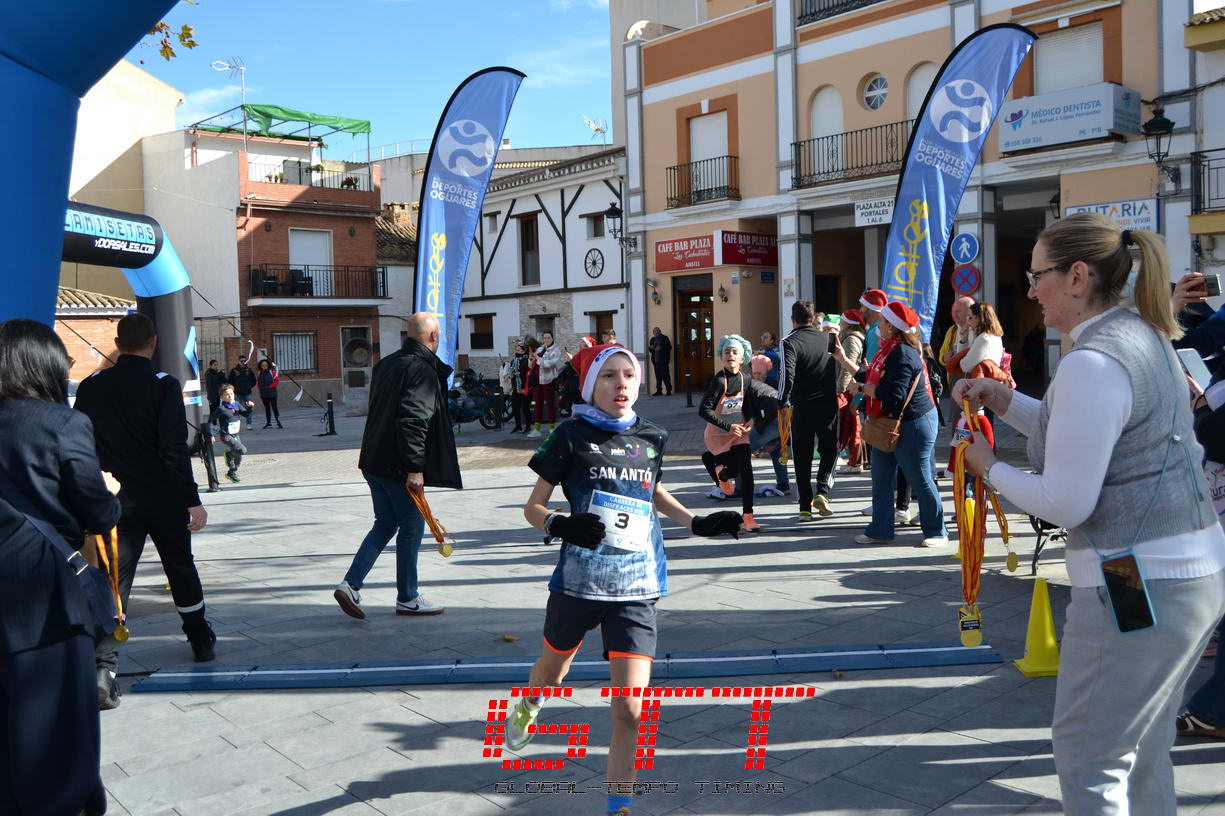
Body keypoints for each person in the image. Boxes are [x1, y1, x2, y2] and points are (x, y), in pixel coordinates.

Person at [955, 213, 1225, 814]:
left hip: (1134, 577)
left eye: (1037, 276)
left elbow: (1067, 501)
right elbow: (1091, 433)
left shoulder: (1093, 360)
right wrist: (1003, 399)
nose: (1029, 291)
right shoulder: (1139, 333)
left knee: (1089, 756)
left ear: (1077, 277)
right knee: (1141, 750)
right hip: (1179, 570)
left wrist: (988, 469)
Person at [511, 343, 742, 816]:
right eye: (609, 376)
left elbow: (651, 489)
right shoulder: (570, 435)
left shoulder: (651, 436)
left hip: (636, 587)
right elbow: (532, 506)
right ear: (591, 384)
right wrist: (560, 523)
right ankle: (531, 701)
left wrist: (696, 523)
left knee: (630, 710)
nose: (621, 385)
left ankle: (619, 806)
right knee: (552, 671)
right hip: (579, 584)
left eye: (628, 376)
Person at [0, 319, 119, 816]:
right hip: (46, 599)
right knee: (58, 725)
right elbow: (97, 513)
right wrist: (111, 492)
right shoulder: (63, 423)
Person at [72, 312, 214, 710]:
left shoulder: (91, 386)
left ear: (117, 343)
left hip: (113, 502)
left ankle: (105, 665)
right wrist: (191, 499)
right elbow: (173, 447)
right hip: (163, 499)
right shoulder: (163, 386)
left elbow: (81, 446)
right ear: (153, 342)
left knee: (114, 583)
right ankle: (200, 640)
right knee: (181, 569)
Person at [333, 312, 461, 619]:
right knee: (412, 526)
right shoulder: (422, 370)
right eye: (438, 333)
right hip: (396, 465)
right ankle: (408, 597)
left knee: (386, 523)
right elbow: (413, 419)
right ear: (432, 337)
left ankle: (350, 584)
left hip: (373, 459)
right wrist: (414, 467)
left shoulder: (387, 363)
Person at [833, 301, 947, 547]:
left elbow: (893, 394)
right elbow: (870, 374)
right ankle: (880, 530)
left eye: (882, 321)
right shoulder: (888, 349)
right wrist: (842, 359)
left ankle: (937, 531)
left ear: (892, 327)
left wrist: (862, 390)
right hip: (891, 423)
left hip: (914, 424)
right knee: (882, 477)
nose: (877, 325)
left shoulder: (903, 354)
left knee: (920, 478)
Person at [699, 334, 776, 532]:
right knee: (732, 471)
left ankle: (748, 516)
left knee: (746, 471)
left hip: (739, 432)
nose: (730, 355)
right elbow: (703, 410)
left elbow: (747, 403)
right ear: (721, 357)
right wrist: (727, 426)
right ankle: (716, 467)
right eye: (727, 352)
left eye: (735, 352)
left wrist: (751, 419)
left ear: (742, 359)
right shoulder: (718, 381)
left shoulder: (745, 379)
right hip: (718, 434)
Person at [781, 300, 841, 521]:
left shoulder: (789, 341)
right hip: (828, 404)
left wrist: (782, 401)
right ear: (813, 317)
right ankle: (823, 491)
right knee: (830, 449)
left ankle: (805, 506)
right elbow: (838, 367)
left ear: (793, 319)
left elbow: (786, 375)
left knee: (803, 456)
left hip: (803, 406)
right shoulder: (829, 338)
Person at [739, 354, 789, 497]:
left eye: (760, 373)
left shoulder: (747, 387)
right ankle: (783, 484)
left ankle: (739, 488)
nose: (757, 376)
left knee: (743, 449)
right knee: (776, 449)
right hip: (785, 419)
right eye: (755, 373)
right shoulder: (761, 386)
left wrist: (759, 432)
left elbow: (751, 415)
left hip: (776, 418)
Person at [836, 309, 866, 475]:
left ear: (848, 323)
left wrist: (839, 389)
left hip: (850, 390)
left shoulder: (851, 340)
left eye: (842, 320)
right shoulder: (848, 337)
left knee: (853, 427)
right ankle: (854, 461)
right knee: (850, 426)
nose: (840, 322)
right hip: (849, 388)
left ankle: (855, 462)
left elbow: (847, 368)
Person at [527, 330, 562, 439]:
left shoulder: (556, 351)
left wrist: (537, 358)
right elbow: (530, 365)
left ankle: (552, 428)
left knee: (550, 404)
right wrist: (531, 357)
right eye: (545, 338)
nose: (546, 340)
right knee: (538, 404)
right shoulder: (540, 349)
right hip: (538, 381)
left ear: (552, 339)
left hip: (549, 380)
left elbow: (549, 364)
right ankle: (537, 429)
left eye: (548, 338)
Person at [210, 384, 247, 484]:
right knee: (242, 450)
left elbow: (246, 414)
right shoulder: (221, 409)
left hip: (236, 435)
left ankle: (231, 473)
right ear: (222, 397)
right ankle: (229, 455)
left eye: (231, 393)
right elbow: (210, 420)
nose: (230, 396)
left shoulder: (237, 404)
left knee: (239, 456)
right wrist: (210, 434)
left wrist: (250, 407)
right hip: (226, 436)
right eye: (227, 395)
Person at [505, 342, 532, 433]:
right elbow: (511, 373)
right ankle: (518, 426)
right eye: (516, 350)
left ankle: (528, 426)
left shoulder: (526, 360)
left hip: (525, 389)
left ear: (523, 351)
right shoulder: (514, 361)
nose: (516, 351)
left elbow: (528, 375)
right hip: (516, 388)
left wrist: (525, 387)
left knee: (525, 408)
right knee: (515, 407)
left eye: (518, 350)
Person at [229, 355, 258, 430]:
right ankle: (236, 424)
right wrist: (234, 390)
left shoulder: (249, 370)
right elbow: (230, 381)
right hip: (237, 394)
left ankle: (249, 423)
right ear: (238, 361)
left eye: (244, 361)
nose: (243, 362)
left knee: (249, 408)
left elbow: (254, 381)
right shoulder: (234, 371)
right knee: (236, 409)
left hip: (247, 393)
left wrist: (248, 387)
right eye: (241, 361)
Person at [257, 358, 282, 429]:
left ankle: (278, 421)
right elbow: (258, 383)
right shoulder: (259, 373)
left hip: (272, 394)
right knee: (267, 409)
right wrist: (260, 388)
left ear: (268, 365)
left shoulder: (272, 372)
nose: (264, 366)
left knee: (274, 408)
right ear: (260, 366)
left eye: (266, 365)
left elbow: (276, 381)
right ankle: (268, 423)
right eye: (262, 365)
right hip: (263, 394)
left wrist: (269, 386)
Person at [648, 327, 673, 396]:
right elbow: (650, 350)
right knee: (658, 376)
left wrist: (661, 348)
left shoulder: (665, 338)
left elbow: (669, 347)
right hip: (656, 361)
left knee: (665, 376)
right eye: (654, 332)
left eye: (657, 331)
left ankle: (668, 391)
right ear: (653, 333)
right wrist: (651, 348)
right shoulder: (652, 339)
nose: (656, 333)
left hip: (663, 361)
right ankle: (659, 391)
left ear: (660, 331)